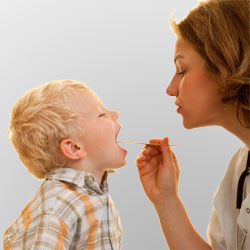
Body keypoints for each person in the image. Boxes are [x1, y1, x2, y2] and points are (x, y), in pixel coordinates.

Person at [136, 0, 250, 249]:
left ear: (226, 62)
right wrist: (166, 200)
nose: (170, 89)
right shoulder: (240, 170)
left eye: (182, 70)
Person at [3, 79, 127, 249]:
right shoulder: (56, 207)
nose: (114, 113)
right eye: (101, 114)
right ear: (74, 148)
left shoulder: (94, 197)